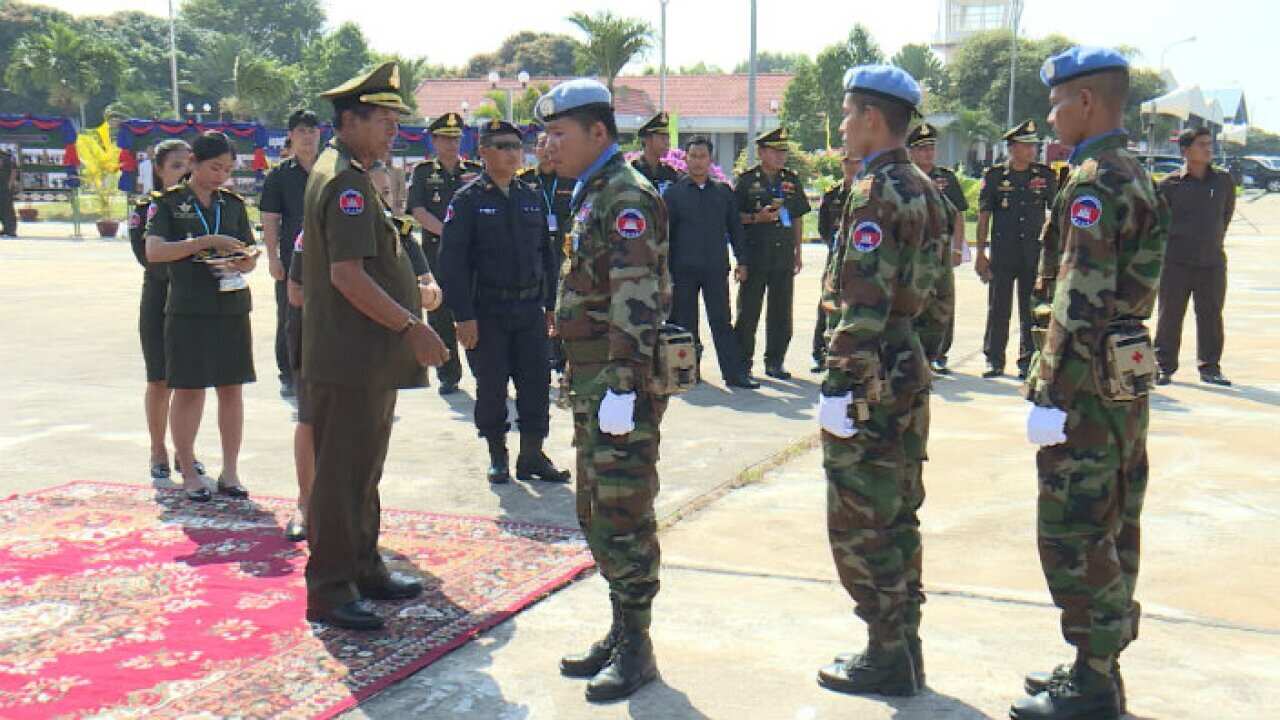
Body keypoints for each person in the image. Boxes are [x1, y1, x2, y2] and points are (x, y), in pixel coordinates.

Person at [1013, 46, 1169, 720]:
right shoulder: (1134, 173)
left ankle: (1094, 684)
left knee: (1074, 528)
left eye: (1055, 102)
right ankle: (1095, 663)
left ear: (1084, 102)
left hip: (1084, 386)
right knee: (1115, 521)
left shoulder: (1095, 181)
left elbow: (1079, 298)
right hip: (1122, 376)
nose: (1050, 115)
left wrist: (1049, 392)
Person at [300, 62, 450, 632]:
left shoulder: (353, 174)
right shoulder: (345, 184)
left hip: (364, 357)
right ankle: (331, 588)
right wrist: (409, 324)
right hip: (349, 357)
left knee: (363, 470)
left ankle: (363, 567)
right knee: (341, 476)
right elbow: (348, 276)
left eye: (394, 119)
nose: (393, 129)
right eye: (383, 119)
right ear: (350, 120)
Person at [815, 65, 949, 699]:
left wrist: (840, 383)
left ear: (871, 118)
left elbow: (862, 300)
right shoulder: (925, 186)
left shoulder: (874, 192)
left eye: (847, 116)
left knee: (859, 519)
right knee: (899, 513)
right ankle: (904, 642)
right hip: (909, 363)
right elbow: (940, 297)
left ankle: (885, 650)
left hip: (871, 374)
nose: (842, 127)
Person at [537, 78, 672, 702]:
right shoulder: (592, 190)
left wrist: (621, 383)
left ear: (598, 133)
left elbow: (636, 295)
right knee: (594, 508)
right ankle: (621, 630)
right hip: (593, 378)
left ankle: (638, 647)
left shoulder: (625, 196)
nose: (547, 144)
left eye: (558, 133)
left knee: (623, 511)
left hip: (619, 383)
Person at [281, 164, 441, 543]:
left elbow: (427, 285)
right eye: (377, 192)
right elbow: (297, 292)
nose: (383, 200)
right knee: (312, 424)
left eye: (388, 193)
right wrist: (379, 305)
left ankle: (358, 544)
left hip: (373, 353)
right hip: (326, 341)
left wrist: (422, 293)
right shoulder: (321, 229)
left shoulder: (396, 231)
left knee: (364, 451)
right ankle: (306, 504)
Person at [438, 119, 570, 486]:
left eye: (516, 145)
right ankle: (498, 454)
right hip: (487, 312)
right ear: (483, 153)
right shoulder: (467, 201)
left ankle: (532, 455)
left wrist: (549, 306)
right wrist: (463, 316)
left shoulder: (530, 197)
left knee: (536, 383)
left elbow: (547, 254)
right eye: (503, 146)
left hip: (529, 310)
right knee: (492, 387)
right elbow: (452, 263)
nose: (514, 153)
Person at [144, 131, 258, 503]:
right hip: (189, 308)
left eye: (226, 169)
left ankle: (231, 470)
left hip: (230, 305)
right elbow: (155, 252)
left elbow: (249, 247)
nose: (220, 176)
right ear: (193, 162)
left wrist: (246, 260)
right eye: (214, 167)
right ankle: (189, 471)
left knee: (232, 390)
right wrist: (204, 243)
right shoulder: (169, 203)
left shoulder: (233, 204)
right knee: (190, 390)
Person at [663, 135, 757, 389]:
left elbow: (735, 229)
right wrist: (664, 271)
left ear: (710, 159)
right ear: (686, 158)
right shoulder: (674, 194)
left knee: (721, 321)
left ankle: (734, 374)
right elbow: (666, 236)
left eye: (702, 156)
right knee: (685, 324)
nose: (697, 161)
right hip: (683, 269)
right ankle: (689, 373)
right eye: (692, 156)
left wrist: (742, 261)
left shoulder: (723, 192)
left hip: (715, 268)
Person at [975, 120, 1058, 379]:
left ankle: (1027, 359)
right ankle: (994, 359)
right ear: (1012, 148)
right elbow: (984, 215)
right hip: (1003, 250)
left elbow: (1055, 213)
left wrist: (1054, 253)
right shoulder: (996, 176)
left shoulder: (1044, 176)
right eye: (1025, 145)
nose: (1031, 150)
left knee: (1029, 308)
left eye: (1033, 145)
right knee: (998, 307)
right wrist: (980, 253)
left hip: (1033, 251)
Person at [407, 111, 482, 395]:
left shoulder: (474, 170)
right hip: (437, 254)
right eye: (446, 138)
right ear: (434, 141)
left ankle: (481, 369)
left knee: (474, 310)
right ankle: (448, 373)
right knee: (440, 314)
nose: (452, 144)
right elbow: (418, 210)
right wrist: (450, 233)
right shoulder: (424, 173)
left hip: (472, 257)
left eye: (456, 138)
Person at [1154, 126, 1236, 387]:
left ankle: (1210, 367)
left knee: (1211, 315)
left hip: (1211, 262)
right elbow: (1158, 223)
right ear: (1185, 150)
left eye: (1209, 144)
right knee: (1170, 316)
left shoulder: (1223, 181)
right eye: (1201, 144)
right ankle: (1163, 366)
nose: (1208, 149)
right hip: (1175, 263)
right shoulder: (1169, 185)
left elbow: (1225, 216)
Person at [129, 139, 190, 481]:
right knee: (160, 379)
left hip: (195, 303)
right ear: (160, 171)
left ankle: (186, 449)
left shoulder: (201, 208)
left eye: (188, 165)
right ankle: (158, 449)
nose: (185, 173)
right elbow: (148, 258)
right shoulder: (145, 210)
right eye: (176, 166)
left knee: (189, 383)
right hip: (159, 301)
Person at [734, 126, 810, 380]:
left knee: (781, 312)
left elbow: (797, 217)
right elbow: (734, 219)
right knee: (748, 312)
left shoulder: (791, 180)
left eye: (783, 152)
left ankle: (775, 361)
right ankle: (743, 363)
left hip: (783, 256)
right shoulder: (746, 181)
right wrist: (757, 218)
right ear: (762, 152)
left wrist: (798, 252)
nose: (780, 156)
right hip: (756, 256)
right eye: (775, 151)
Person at [260, 109, 321, 399]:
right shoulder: (280, 175)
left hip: (332, 259)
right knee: (289, 316)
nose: (307, 137)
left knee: (327, 316)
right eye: (300, 131)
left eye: (312, 131)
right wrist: (272, 258)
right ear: (290, 136)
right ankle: (288, 373)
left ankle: (322, 370)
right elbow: (270, 218)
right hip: (292, 259)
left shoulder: (334, 168)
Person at [907, 123, 968, 374]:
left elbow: (959, 215)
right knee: (913, 299)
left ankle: (939, 353)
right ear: (911, 152)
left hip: (941, 249)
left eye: (931, 148)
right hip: (914, 250)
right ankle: (914, 353)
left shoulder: (946, 178)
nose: (928, 153)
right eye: (922, 149)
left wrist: (956, 249)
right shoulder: (904, 177)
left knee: (943, 300)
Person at [518, 131, 576, 373]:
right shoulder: (523, 181)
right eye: (541, 144)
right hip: (536, 250)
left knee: (564, 300)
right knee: (540, 301)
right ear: (535, 150)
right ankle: (544, 353)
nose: (546, 149)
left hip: (565, 250)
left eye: (551, 145)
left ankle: (562, 356)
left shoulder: (571, 180)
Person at [812, 153, 861, 373]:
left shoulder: (871, 193)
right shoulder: (832, 195)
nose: (852, 167)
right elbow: (823, 228)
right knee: (828, 304)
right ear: (842, 165)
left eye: (857, 162)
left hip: (862, 261)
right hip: (836, 259)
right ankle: (822, 353)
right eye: (848, 162)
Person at [630, 112, 682, 195]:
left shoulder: (670, 173)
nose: (667, 143)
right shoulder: (633, 171)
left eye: (668, 138)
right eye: (662, 138)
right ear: (647, 139)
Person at [0, 147, 18, 237]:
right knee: (1, 210)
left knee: (7, 209)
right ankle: (5, 229)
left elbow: (14, 171)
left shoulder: (7, 157)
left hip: (5, 187)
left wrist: (10, 184)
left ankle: (11, 230)